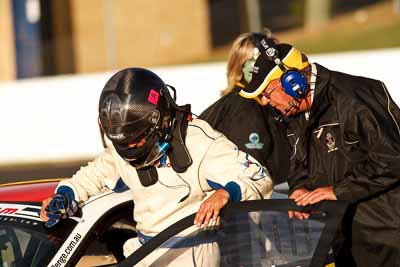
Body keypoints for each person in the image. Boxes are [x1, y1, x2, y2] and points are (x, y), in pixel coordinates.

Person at [40, 67, 273, 266]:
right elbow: (91, 176)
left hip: (191, 252)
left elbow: (259, 177)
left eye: (136, 139)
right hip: (143, 249)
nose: (129, 147)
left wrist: (226, 192)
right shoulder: (122, 147)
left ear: (159, 120)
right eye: (123, 142)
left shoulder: (199, 142)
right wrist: (64, 195)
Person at [238, 36, 400, 267]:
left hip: (387, 237)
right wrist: (300, 188)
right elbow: (298, 162)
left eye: (266, 92)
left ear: (292, 82)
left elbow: (393, 158)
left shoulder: (354, 97)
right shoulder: (293, 113)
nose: (264, 102)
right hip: (342, 235)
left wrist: (336, 191)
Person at [200, 32, 291, 187]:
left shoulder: (256, 103)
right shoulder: (244, 107)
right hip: (259, 203)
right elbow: (253, 174)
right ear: (241, 66)